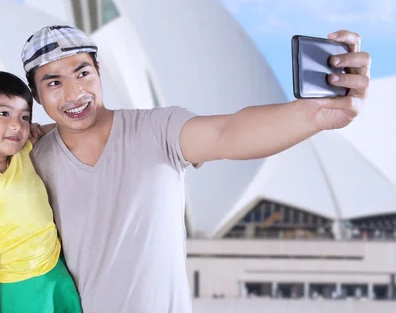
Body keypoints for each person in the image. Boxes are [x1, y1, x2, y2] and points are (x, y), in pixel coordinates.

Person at [22, 25, 371, 313]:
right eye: (53, 82)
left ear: (99, 72)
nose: (73, 93)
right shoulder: (33, 161)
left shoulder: (158, 129)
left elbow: (227, 132)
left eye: (82, 73)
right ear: (36, 96)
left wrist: (315, 114)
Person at [0, 71, 81, 313]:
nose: (15, 124)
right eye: (3, 113)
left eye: (24, 116)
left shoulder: (23, 154)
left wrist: (34, 128)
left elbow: (70, 128)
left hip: (55, 278)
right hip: (14, 295)